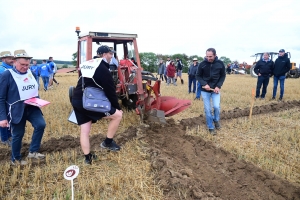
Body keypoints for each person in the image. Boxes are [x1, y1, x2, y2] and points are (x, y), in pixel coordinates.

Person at [71, 45, 123, 165]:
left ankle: (88, 158)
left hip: (78, 100)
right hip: (89, 101)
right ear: (104, 54)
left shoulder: (89, 64)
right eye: (110, 54)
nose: (111, 57)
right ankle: (108, 143)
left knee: (85, 130)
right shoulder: (103, 68)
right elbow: (110, 90)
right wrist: (117, 108)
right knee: (118, 115)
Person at [0, 49, 46, 165]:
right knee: (18, 135)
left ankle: (33, 151)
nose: (25, 67)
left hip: (32, 107)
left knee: (41, 124)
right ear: (15, 62)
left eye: (27, 64)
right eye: (22, 65)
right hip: (16, 110)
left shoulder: (32, 73)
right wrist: (2, 117)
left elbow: (33, 90)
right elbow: (1, 98)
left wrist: (39, 101)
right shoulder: (7, 75)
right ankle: (15, 159)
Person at [196, 48, 226, 135]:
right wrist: (204, 84)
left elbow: (223, 75)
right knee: (208, 110)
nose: (208, 58)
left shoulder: (220, 64)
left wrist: (218, 86)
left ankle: (216, 120)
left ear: (215, 55)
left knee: (216, 107)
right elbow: (198, 76)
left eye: (210, 56)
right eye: (207, 56)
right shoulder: (202, 64)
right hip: (205, 91)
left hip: (215, 90)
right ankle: (210, 127)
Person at [0, 51, 14, 146]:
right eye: (9, 58)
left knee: (9, 117)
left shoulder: (11, 68)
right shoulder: (2, 69)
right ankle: (4, 139)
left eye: (12, 58)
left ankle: (9, 135)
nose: (12, 60)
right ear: (3, 59)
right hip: (3, 96)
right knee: (3, 117)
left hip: (10, 97)